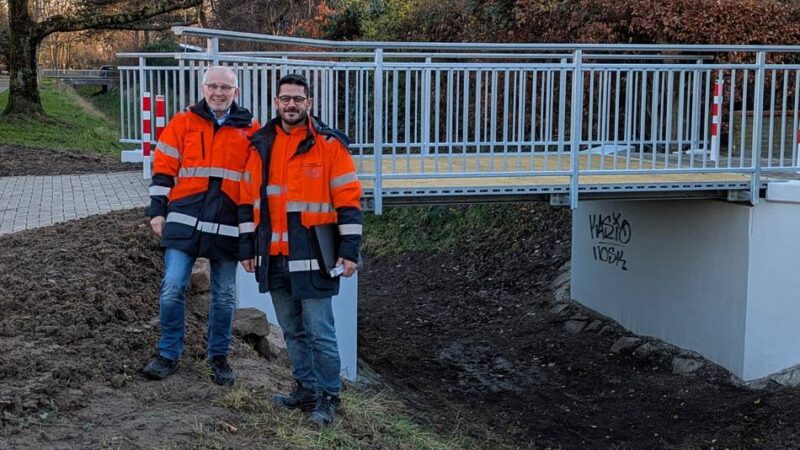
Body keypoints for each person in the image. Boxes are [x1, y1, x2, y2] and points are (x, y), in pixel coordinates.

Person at [240, 73, 363, 425]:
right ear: (275, 102)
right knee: (292, 330)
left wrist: (350, 250)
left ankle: (328, 396)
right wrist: (248, 248)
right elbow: (248, 201)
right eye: (285, 98)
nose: (291, 104)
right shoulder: (260, 144)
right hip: (274, 257)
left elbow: (349, 201)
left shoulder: (328, 145)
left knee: (320, 331)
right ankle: (306, 389)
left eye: (298, 99)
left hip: (312, 257)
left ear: (308, 103)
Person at [143, 66, 260, 386]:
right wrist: (157, 211)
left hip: (227, 220)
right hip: (185, 217)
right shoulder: (183, 122)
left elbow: (256, 183)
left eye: (226, 87)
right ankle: (168, 353)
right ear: (203, 88)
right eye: (213, 86)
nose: (219, 92)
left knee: (224, 295)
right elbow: (163, 168)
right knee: (172, 286)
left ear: (236, 92)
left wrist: (253, 229)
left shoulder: (252, 129)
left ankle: (218, 357)